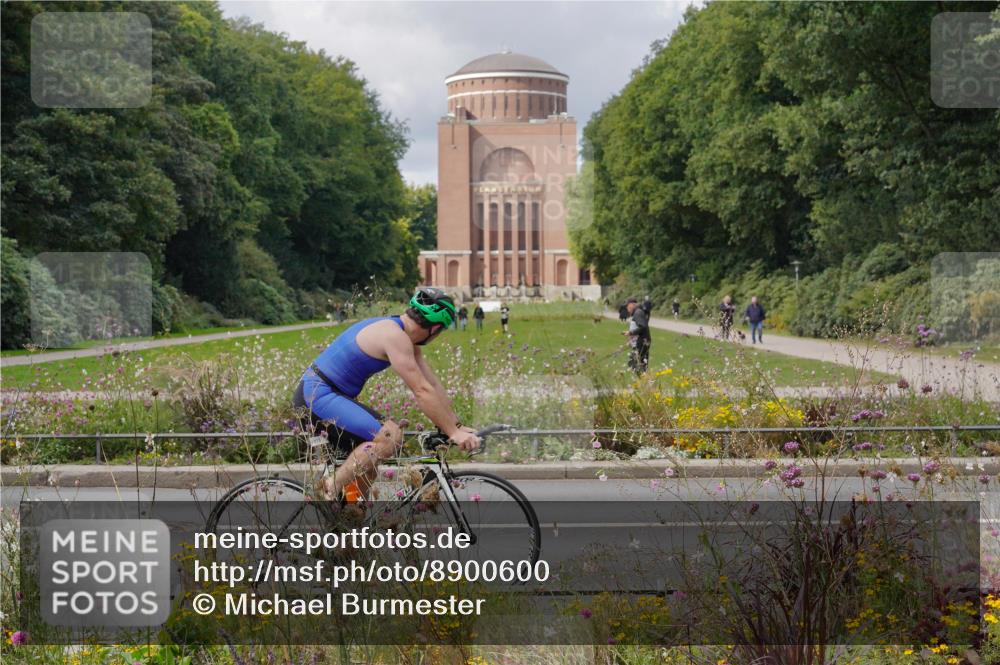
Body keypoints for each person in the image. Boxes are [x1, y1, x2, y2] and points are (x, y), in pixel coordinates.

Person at [293, 287, 480, 502]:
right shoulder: (394, 336)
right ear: (435, 328)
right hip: (317, 396)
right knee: (389, 437)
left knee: (367, 467)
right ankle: (328, 487)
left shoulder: (400, 332)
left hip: (328, 395)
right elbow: (421, 390)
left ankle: (349, 516)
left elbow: (432, 384)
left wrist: (455, 426)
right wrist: (453, 433)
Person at [624, 297, 651, 374]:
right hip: (639, 343)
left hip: (641, 343)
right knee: (634, 364)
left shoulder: (638, 313)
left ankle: (644, 380)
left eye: (627, 305)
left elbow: (643, 326)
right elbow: (638, 327)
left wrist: (631, 333)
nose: (626, 308)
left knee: (636, 365)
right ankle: (644, 379)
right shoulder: (637, 312)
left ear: (632, 304)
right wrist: (630, 341)